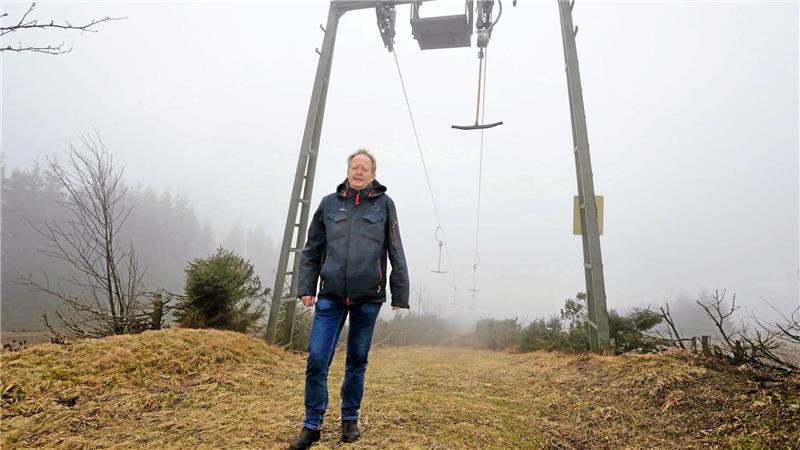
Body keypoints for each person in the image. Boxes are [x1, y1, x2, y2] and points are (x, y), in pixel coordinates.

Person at [289, 149, 410, 449]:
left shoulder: (384, 204)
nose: (358, 171)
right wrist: (307, 287)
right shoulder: (329, 204)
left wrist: (400, 293)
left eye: (364, 168)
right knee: (317, 358)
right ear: (348, 170)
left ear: (372, 174)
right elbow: (312, 248)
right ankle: (311, 425)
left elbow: (395, 248)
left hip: (368, 297)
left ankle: (349, 420)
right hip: (330, 295)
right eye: (354, 167)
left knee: (357, 360)